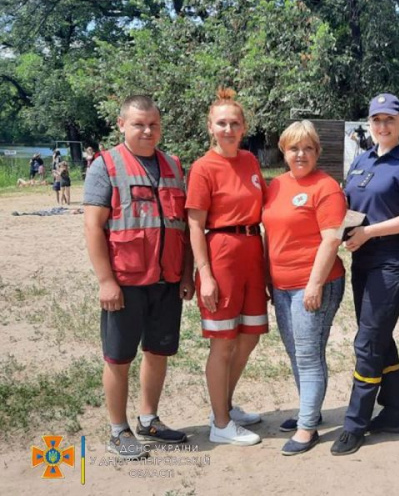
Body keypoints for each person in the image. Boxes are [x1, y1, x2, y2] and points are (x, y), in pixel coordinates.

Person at [83, 95, 194, 460]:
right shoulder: (106, 166)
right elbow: (93, 228)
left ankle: (149, 419)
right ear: (121, 125)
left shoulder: (175, 166)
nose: (147, 131)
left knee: (158, 351)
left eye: (153, 124)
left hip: (166, 281)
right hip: (125, 282)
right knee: (118, 357)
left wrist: (186, 274)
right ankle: (118, 430)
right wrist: (106, 281)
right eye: (138, 124)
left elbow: (184, 227)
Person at [330, 93, 399, 456]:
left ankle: (355, 424)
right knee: (378, 336)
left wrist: (369, 232)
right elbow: (349, 202)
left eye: (389, 119)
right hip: (362, 258)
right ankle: (395, 412)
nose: (382, 126)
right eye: (376, 120)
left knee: (368, 341)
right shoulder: (363, 159)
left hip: (389, 260)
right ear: (369, 124)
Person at [186, 87, 267, 446]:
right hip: (221, 253)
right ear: (210, 127)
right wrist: (204, 273)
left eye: (235, 122)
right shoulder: (203, 167)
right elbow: (194, 224)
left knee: (249, 336)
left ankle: (226, 406)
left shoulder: (250, 161)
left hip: (252, 250)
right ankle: (220, 423)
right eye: (222, 123)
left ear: (244, 125)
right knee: (223, 343)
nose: (229, 129)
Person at [263, 120, 347, 455]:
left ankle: (307, 427)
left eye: (308, 148)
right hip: (282, 286)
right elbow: (271, 233)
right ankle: (308, 411)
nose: (301, 154)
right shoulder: (276, 185)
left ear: (317, 152)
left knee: (309, 354)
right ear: (284, 151)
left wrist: (313, 285)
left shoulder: (326, 187)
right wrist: (271, 279)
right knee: (295, 352)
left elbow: (332, 240)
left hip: (316, 284)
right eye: (294, 148)